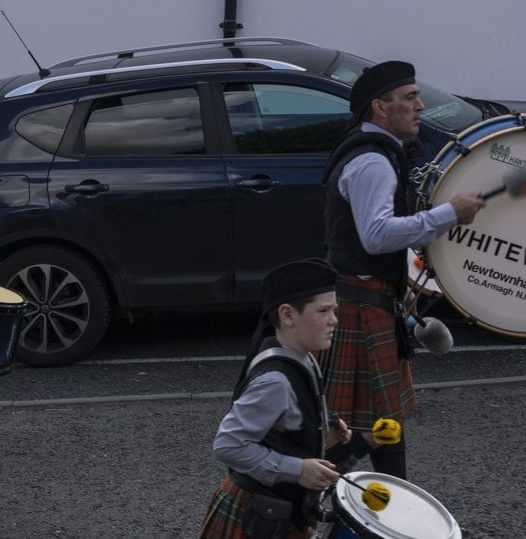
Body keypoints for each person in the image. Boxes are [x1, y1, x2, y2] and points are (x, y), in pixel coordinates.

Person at [317, 61, 486, 480]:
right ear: (380, 106)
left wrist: (400, 281)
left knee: (376, 422)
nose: (420, 105)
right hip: (360, 307)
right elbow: (376, 236)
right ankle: (317, 493)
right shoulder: (373, 161)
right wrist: (450, 213)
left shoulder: (374, 149)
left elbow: (368, 242)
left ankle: (382, 500)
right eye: (409, 97)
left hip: (368, 297)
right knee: (369, 423)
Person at [199, 259, 349, 538]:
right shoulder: (275, 381)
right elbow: (228, 445)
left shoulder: (305, 359)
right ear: (288, 315)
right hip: (253, 516)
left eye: (335, 310)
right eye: (324, 311)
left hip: (280, 511)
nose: (334, 319)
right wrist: (297, 469)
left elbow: (282, 431)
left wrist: (322, 437)